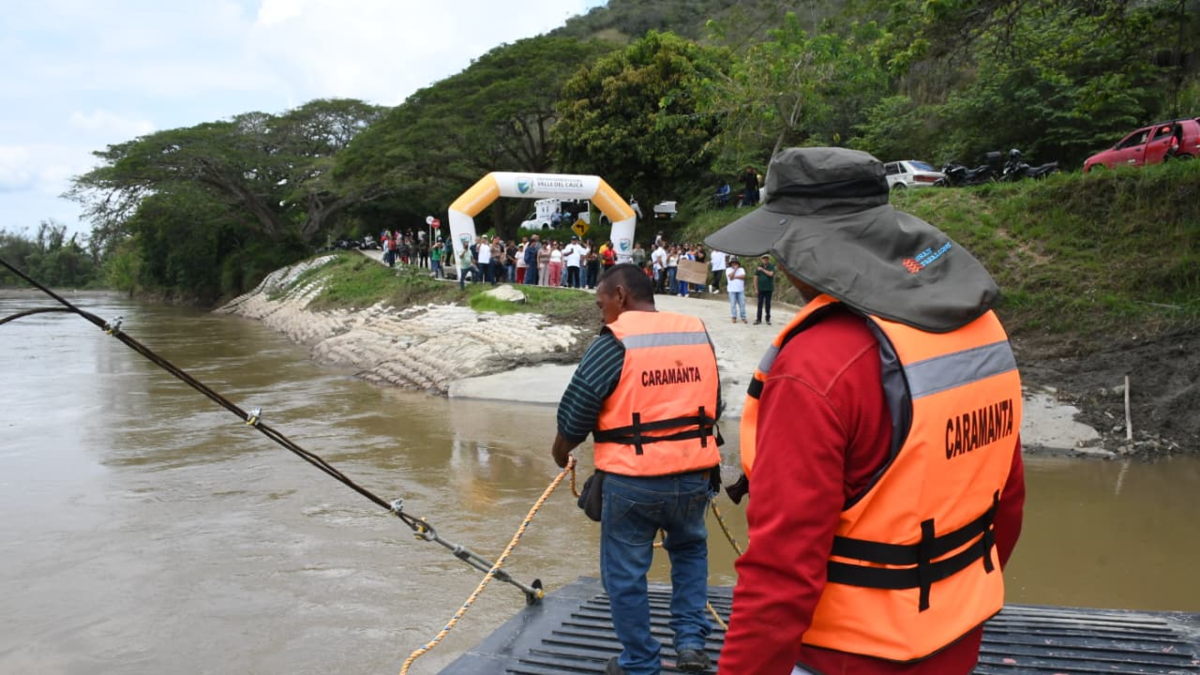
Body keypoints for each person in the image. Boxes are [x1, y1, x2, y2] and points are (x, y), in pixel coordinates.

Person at [704, 147, 1026, 675]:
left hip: (847, 655)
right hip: (957, 637)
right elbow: (1006, 501)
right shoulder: (980, 329)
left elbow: (781, 575)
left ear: (801, 249)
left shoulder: (817, 367)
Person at [550, 264, 722, 675]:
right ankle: (691, 646)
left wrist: (561, 453)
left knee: (625, 573)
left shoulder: (614, 341)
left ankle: (641, 662)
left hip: (633, 480)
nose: (602, 313)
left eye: (601, 304)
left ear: (620, 295)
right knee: (690, 553)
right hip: (694, 474)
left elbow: (577, 410)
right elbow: (715, 400)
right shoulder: (695, 332)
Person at [753, 254, 775, 325]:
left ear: (768, 259)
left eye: (766, 258)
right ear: (762, 259)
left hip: (768, 289)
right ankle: (758, 319)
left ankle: (768, 319)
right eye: (764, 258)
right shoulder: (758, 267)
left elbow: (771, 274)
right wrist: (756, 289)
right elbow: (755, 278)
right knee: (759, 304)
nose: (765, 260)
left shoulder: (771, 266)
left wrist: (762, 270)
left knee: (768, 304)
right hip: (760, 289)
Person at [725, 258, 746, 323]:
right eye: (733, 263)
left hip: (740, 289)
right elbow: (730, 277)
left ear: (738, 263)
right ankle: (734, 317)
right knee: (733, 304)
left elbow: (743, 277)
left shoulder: (741, 269)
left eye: (735, 263)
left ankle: (743, 317)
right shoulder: (728, 269)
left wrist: (735, 277)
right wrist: (735, 270)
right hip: (731, 289)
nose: (734, 264)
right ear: (731, 263)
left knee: (742, 304)